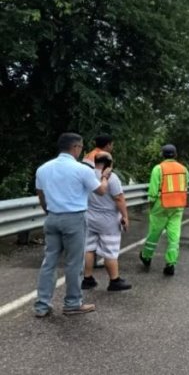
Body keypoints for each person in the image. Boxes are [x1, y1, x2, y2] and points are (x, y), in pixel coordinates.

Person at [34, 133, 112, 317]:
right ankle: (72, 303)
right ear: (76, 147)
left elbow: (41, 195)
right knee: (74, 263)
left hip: (52, 217)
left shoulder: (43, 169)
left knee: (49, 262)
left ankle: (42, 305)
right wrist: (104, 177)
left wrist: (49, 211)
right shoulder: (81, 169)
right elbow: (100, 191)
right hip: (74, 219)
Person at [82, 152, 132, 291]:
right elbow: (119, 198)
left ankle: (87, 279)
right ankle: (114, 280)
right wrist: (125, 216)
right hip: (108, 220)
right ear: (109, 163)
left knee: (89, 248)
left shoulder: (87, 174)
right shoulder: (112, 177)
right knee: (110, 250)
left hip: (89, 217)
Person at [139, 144, 189, 276]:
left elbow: (153, 191)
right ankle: (171, 263)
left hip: (161, 205)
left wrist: (152, 205)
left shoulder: (158, 169)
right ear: (176, 154)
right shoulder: (184, 169)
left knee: (154, 232)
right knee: (174, 235)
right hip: (178, 206)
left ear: (162, 155)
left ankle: (146, 256)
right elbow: (185, 186)